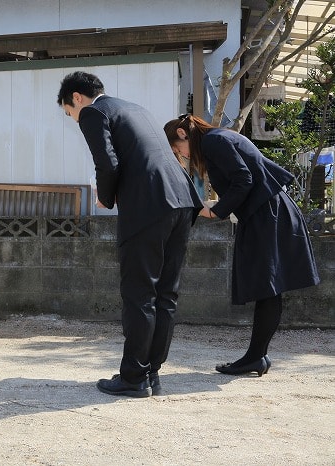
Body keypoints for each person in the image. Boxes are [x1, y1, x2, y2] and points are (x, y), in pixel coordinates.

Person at [57, 71, 203, 397]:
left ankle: (134, 377)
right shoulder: (135, 108)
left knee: (140, 294)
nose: (73, 117)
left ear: (77, 98)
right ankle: (151, 373)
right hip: (181, 201)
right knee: (166, 294)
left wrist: (105, 198)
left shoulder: (94, 112)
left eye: (69, 112)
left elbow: (107, 164)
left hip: (148, 207)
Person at [163, 114, 320, 376]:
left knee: (268, 287)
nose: (184, 156)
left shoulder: (214, 141)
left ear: (182, 134)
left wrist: (216, 211)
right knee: (267, 287)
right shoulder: (218, 139)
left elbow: (243, 178)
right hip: (267, 211)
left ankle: (256, 357)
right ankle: (256, 356)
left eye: (178, 150)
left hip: (267, 213)